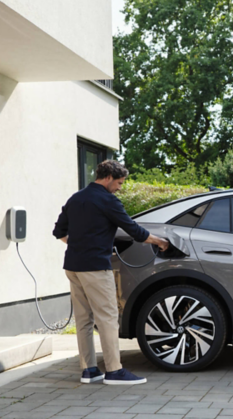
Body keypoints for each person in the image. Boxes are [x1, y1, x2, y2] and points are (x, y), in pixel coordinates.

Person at [53, 160, 169, 385]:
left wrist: (80, 246)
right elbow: (134, 230)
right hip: (95, 267)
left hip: (73, 267)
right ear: (108, 178)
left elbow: (59, 232)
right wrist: (160, 242)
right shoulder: (108, 200)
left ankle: (89, 370)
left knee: (84, 319)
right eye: (119, 183)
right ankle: (114, 371)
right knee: (107, 318)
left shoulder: (75, 198)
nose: (120, 187)